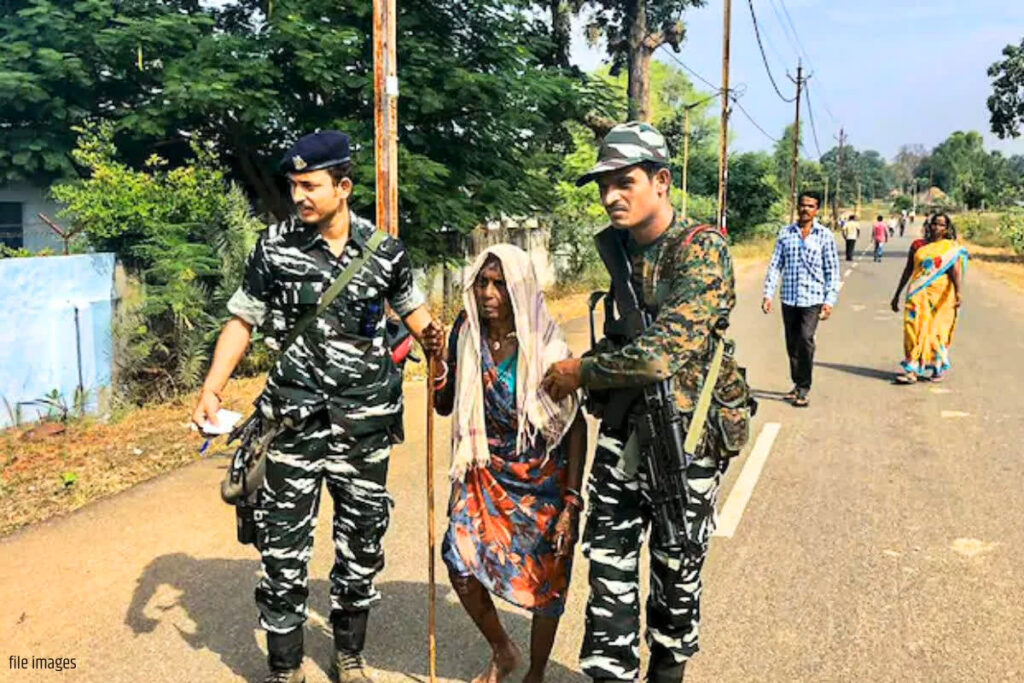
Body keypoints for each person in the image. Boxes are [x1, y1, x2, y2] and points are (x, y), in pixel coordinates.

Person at [190, 130, 444, 683]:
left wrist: (445, 354)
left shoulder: (385, 253)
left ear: (343, 186)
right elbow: (242, 320)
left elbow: (420, 320)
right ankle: (286, 667)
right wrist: (213, 386)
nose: (299, 195)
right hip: (293, 424)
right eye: (293, 185)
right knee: (282, 550)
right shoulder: (274, 247)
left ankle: (348, 654)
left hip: (365, 428)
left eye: (310, 185)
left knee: (361, 545)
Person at [542, 122, 750, 683]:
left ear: (661, 181)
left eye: (624, 181)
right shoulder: (621, 252)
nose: (611, 195)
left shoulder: (702, 249)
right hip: (620, 434)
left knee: (675, 577)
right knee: (608, 572)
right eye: (604, 184)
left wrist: (580, 372)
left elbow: (661, 355)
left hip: (686, 443)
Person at [433, 244, 587, 683]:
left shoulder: (545, 343)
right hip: (484, 471)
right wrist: (439, 361)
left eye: (499, 284)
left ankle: (535, 672)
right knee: (458, 561)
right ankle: (503, 649)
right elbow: (444, 405)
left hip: (544, 481)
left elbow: (574, 426)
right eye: (482, 282)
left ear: (520, 290)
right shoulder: (467, 333)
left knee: (547, 582)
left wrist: (571, 504)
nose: (488, 292)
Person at [761, 192, 841, 407]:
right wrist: (768, 294)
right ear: (797, 207)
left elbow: (832, 270)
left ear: (817, 210)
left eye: (811, 206)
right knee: (792, 344)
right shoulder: (785, 234)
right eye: (803, 205)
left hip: (812, 299)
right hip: (789, 297)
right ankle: (797, 384)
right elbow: (776, 265)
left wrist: (829, 300)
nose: (806, 209)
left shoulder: (825, 236)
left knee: (805, 339)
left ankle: (804, 387)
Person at [890, 213, 968, 384]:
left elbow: (955, 271)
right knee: (913, 328)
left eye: (941, 225)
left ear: (947, 228)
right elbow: (908, 269)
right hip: (917, 292)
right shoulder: (918, 245)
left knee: (937, 331)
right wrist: (897, 294)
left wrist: (959, 292)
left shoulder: (950, 248)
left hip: (942, 295)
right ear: (929, 225)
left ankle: (936, 366)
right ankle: (912, 369)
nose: (937, 228)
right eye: (935, 224)